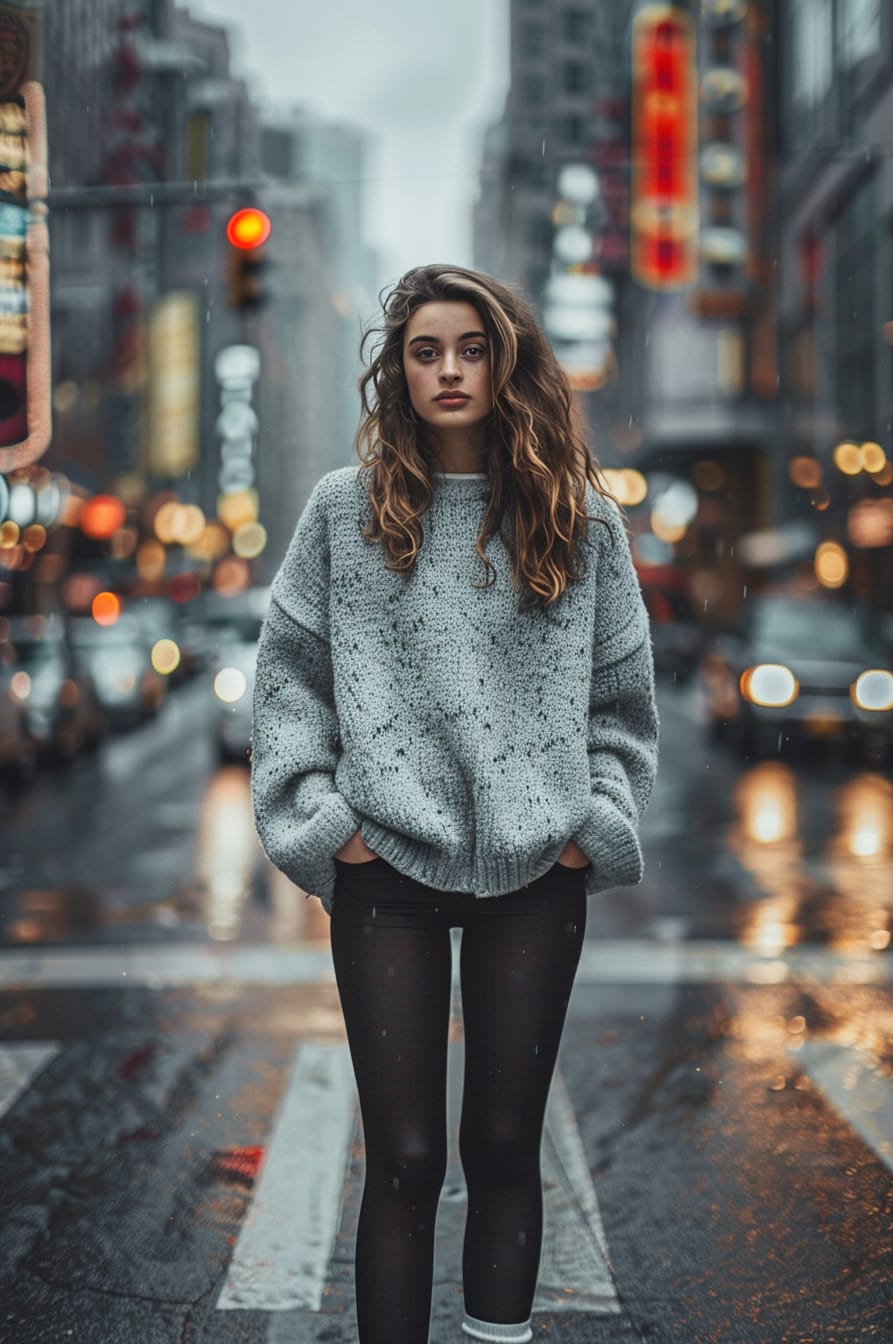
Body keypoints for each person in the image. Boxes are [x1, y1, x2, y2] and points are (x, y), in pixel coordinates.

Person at [251, 263, 659, 1344]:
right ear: (398, 373)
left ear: (505, 363)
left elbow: (620, 703)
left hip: (537, 878)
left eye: (469, 349)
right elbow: (287, 679)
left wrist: (588, 826)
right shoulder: (343, 514)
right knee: (404, 1158)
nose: (447, 371)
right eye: (425, 351)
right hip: (383, 878)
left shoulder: (581, 524)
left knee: (500, 1145)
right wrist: (327, 827)